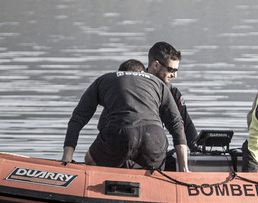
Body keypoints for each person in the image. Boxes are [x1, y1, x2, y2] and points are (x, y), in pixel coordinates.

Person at [62, 58, 190, 171]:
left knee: (90, 159)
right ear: (142, 74)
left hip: (119, 134)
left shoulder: (105, 79)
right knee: (154, 167)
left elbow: (78, 118)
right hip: (154, 138)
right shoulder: (158, 83)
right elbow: (176, 123)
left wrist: (67, 158)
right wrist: (184, 169)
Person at [145, 41, 199, 149]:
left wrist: (197, 149)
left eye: (176, 70)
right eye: (171, 70)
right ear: (156, 65)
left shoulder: (173, 93)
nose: (175, 75)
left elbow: (186, 124)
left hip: (153, 148)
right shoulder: (135, 86)